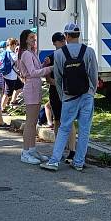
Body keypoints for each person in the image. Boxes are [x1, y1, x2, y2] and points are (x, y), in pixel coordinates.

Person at [41, 23, 99, 172]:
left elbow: (59, 78)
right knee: (84, 129)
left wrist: (62, 95)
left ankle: (54, 161)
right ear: (78, 35)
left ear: (66, 36)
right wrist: (92, 92)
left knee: (64, 128)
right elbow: (94, 75)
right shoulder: (89, 52)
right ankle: (78, 162)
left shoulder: (60, 54)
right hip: (87, 95)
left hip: (68, 96)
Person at [15, 29, 52, 165]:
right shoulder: (25, 54)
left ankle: (32, 149)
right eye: (31, 38)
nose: (34, 40)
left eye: (34, 38)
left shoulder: (31, 53)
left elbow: (36, 70)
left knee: (33, 122)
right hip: (31, 87)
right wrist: (50, 68)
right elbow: (33, 72)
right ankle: (25, 151)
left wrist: (44, 65)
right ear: (25, 39)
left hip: (35, 86)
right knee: (30, 122)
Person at [44, 32, 77, 163]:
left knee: (70, 120)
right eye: (60, 41)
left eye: (64, 41)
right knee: (57, 120)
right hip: (56, 93)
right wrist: (58, 81)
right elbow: (48, 79)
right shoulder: (51, 57)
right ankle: (60, 148)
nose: (63, 43)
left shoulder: (71, 55)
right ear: (54, 43)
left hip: (68, 92)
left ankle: (73, 150)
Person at [1, 37, 22, 112]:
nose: (16, 46)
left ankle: (13, 101)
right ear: (12, 45)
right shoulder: (11, 53)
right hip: (10, 76)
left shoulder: (5, 52)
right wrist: (17, 52)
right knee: (7, 93)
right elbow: (17, 59)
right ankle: (2, 108)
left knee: (19, 87)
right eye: (16, 44)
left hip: (11, 76)